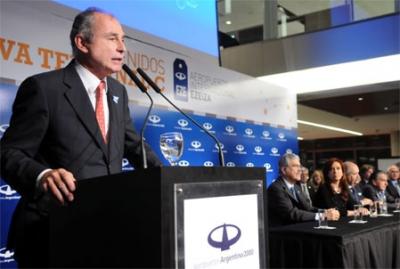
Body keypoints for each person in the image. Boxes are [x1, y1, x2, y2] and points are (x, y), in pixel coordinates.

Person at [0, 7, 161, 268]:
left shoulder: (117, 92)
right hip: (50, 232)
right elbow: (8, 153)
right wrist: (43, 176)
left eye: (123, 39)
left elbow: (134, 146)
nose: (122, 48)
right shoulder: (44, 88)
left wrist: (173, 179)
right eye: (112, 38)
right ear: (82, 42)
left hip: (103, 230)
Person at [267, 153, 339, 227]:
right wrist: (321, 216)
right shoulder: (276, 188)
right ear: (284, 170)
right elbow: (291, 214)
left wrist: (325, 211)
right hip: (282, 233)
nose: (300, 170)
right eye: (295, 166)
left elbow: (308, 208)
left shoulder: (296, 187)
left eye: (300, 166)